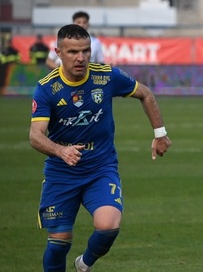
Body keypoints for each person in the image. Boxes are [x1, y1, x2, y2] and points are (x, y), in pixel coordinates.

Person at [29, 24, 172, 272]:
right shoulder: (47, 88)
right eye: (73, 52)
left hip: (100, 168)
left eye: (85, 50)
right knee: (59, 243)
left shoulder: (106, 76)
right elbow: (35, 136)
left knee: (108, 226)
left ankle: (84, 264)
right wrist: (61, 151)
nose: (81, 57)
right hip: (62, 173)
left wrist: (160, 134)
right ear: (58, 53)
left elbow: (146, 94)